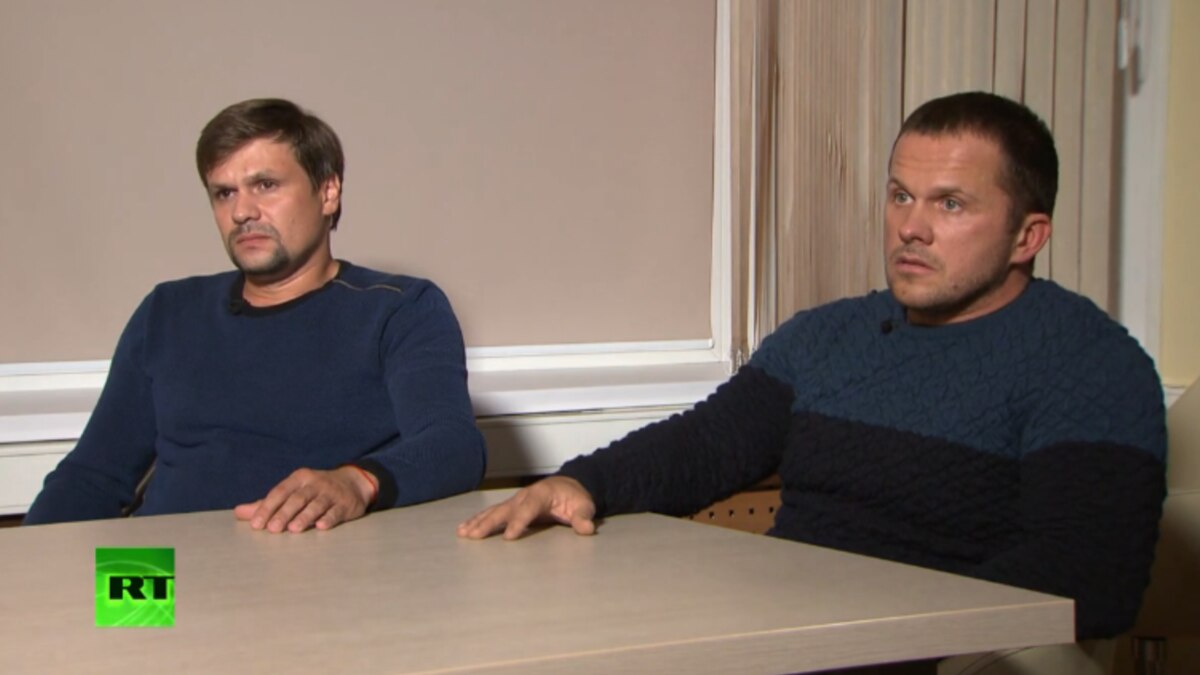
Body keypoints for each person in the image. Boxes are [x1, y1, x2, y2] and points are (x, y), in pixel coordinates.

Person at [458, 91, 1167, 641]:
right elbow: (707, 444)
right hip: (784, 635)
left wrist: (882, 635)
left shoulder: (1091, 365)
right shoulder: (828, 337)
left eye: (950, 204)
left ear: (1027, 236)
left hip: (936, 650)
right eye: (900, 195)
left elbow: (1087, 579)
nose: (910, 227)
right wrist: (581, 482)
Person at [25, 98, 487, 532]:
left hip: (307, 563)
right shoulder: (168, 311)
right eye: (224, 193)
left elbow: (452, 446)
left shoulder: (399, 308)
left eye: (266, 186)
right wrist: (24, 570)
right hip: (162, 564)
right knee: (97, 594)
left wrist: (355, 482)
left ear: (328, 192)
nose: (242, 211)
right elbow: (92, 475)